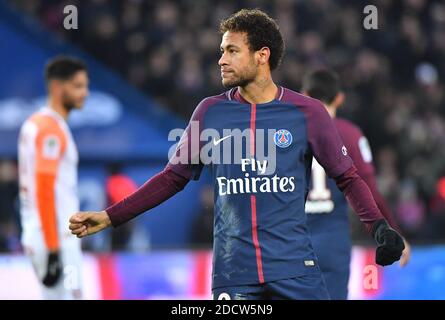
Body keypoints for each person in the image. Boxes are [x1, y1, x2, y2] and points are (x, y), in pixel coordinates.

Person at [69, 9, 404, 300]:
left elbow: (347, 177)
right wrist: (111, 216)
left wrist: (379, 228)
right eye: (221, 50)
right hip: (234, 273)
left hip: (296, 271)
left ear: (262, 55)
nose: (221, 59)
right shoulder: (210, 112)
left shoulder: (307, 112)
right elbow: (172, 178)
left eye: (231, 50)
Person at [302, 69, 411, 300]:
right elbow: (369, 189)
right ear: (339, 98)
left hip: (292, 242)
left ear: (304, 94)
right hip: (333, 240)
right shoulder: (350, 134)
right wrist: (392, 231)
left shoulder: (287, 133)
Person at [18, 56, 88, 299]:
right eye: (78, 86)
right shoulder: (50, 130)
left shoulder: (33, 124)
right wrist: (53, 248)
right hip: (55, 236)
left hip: (40, 232)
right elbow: (44, 188)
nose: (84, 93)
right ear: (58, 88)